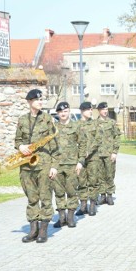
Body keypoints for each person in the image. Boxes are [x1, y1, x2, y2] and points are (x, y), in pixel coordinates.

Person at [15, 89, 59, 243]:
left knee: (46, 197)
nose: (41, 102)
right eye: (37, 100)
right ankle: (33, 230)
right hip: (27, 165)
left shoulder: (48, 119)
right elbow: (17, 141)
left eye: (42, 99)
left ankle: (43, 231)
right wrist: (20, 147)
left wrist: (54, 166)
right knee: (32, 198)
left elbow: (55, 144)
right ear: (29, 102)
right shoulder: (22, 120)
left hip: (44, 164)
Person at [51, 101, 81, 228]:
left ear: (69, 112)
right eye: (61, 112)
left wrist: (80, 162)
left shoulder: (76, 126)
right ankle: (61, 217)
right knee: (58, 191)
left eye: (65, 111)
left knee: (72, 191)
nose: (63, 114)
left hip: (72, 164)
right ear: (57, 113)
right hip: (57, 165)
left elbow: (83, 144)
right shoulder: (53, 128)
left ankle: (70, 217)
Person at [76, 101, 101, 217]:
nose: (91, 111)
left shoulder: (95, 124)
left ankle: (92, 204)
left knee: (93, 181)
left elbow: (98, 139)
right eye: (88, 109)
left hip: (93, 157)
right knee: (81, 181)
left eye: (91, 109)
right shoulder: (76, 125)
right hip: (80, 159)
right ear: (82, 111)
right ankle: (83, 205)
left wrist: (88, 151)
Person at [96, 102, 121, 206]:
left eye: (106, 109)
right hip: (98, 154)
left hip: (109, 153)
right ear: (99, 110)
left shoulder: (112, 123)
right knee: (100, 175)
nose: (105, 111)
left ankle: (110, 194)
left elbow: (117, 137)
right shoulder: (94, 123)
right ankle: (102, 195)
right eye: (103, 109)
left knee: (110, 174)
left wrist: (115, 152)